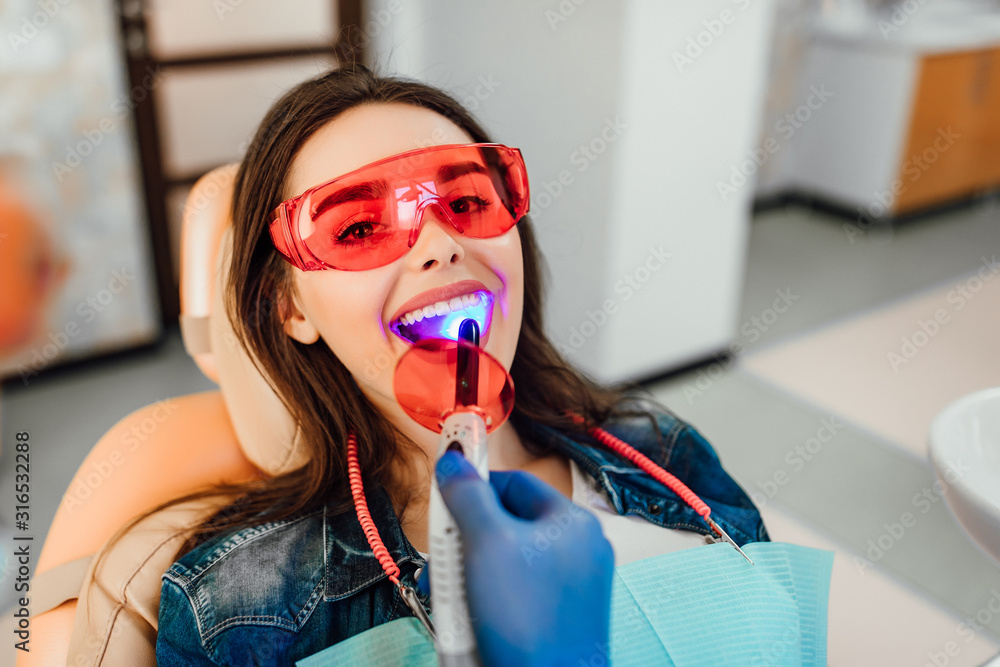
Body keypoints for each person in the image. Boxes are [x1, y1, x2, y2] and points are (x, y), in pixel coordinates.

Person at [143, 63, 768, 665]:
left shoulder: (663, 452)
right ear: (289, 308)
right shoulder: (237, 610)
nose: (441, 245)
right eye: (359, 228)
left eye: (466, 203)